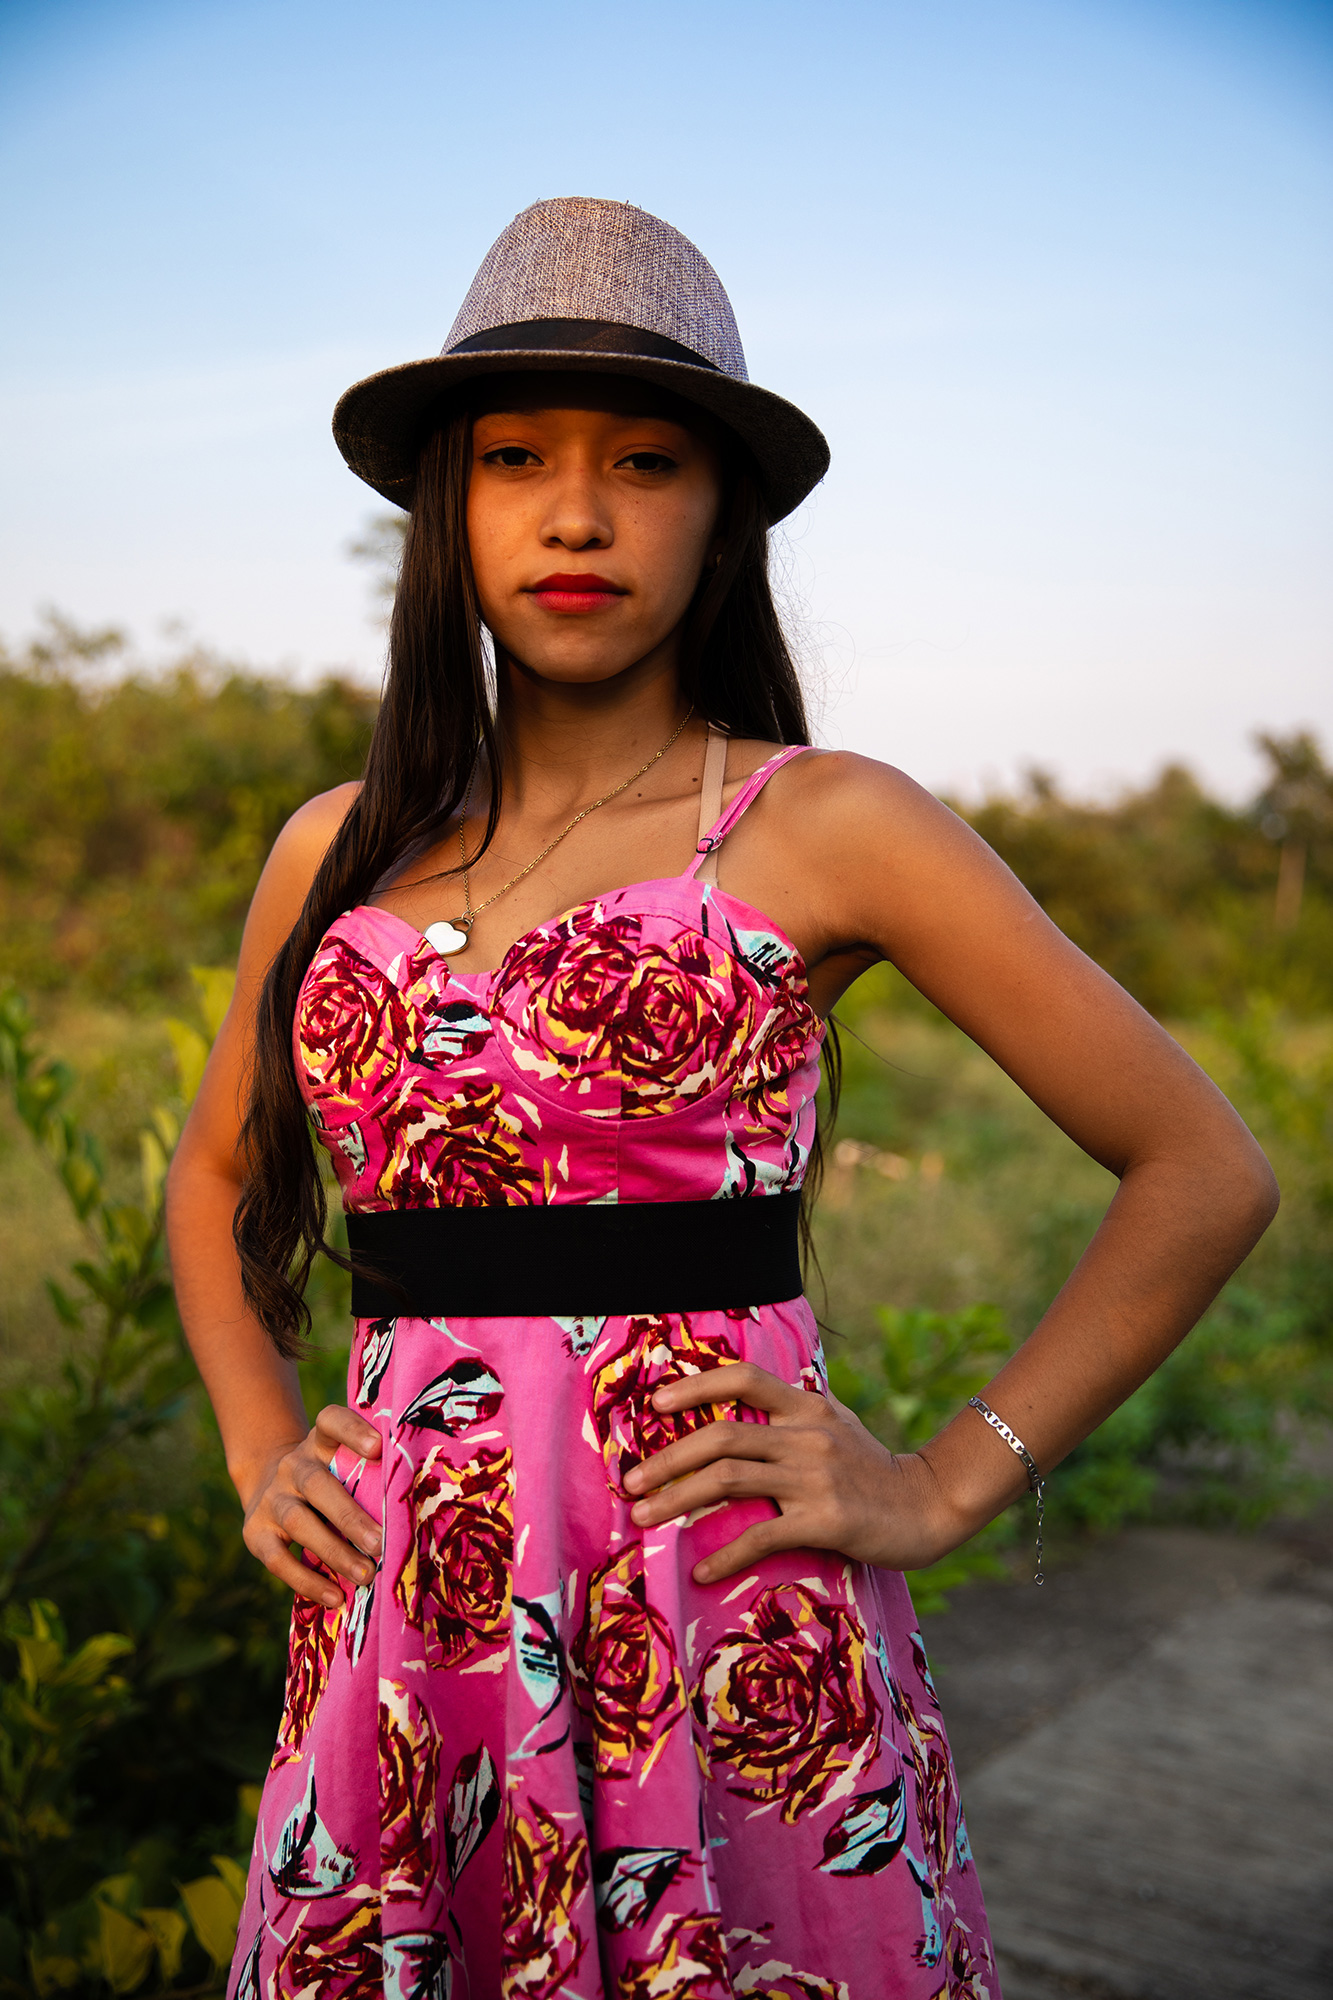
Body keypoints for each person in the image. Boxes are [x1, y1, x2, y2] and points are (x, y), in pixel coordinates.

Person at [166, 198, 1277, 2000]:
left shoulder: (825, 824)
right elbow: (220, 1173)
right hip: (406, 1629)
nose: (578, 511)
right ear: (447, 506)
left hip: (716, 1614)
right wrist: (253, 1444)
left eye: (647, 461)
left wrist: (941, 1483)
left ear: (721, 513)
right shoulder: (336, 848)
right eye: (515, 457)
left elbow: (1199, 1168)